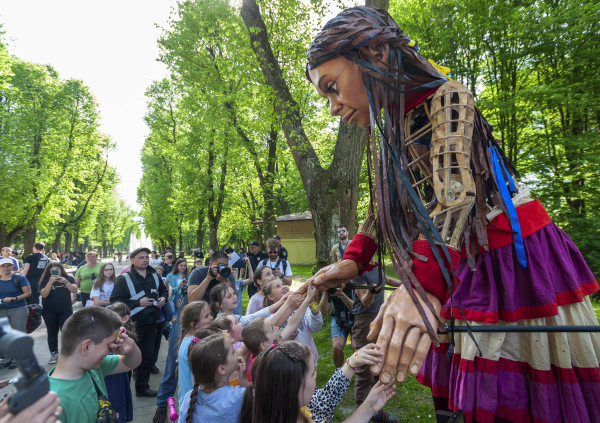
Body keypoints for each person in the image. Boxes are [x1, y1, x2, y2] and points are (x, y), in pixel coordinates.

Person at [302, 6, 600, 422]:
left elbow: (454, 193)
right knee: (472, 392)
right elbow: (384, 207)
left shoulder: (447, 95)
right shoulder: (389, 127)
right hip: (457, 259)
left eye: (333, 87)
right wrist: (355, 258)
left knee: (518, 393)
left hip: (506, 257)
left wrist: (422, 287)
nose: (333, 107)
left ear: (376, 53)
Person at [238, 340, 395, 423]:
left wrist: (369, 407)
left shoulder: (278, 408)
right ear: (294, 387)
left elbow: (325, 399)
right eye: (313, 373)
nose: (316, 374)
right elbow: (325, 400)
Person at [48, 306, 142, 423]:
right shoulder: (52, 403)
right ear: (86, 347)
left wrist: (131, 348)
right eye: (109, 343)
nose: (112, 347)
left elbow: (130, 364)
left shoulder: (93, 366)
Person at [110, 247, 168, 398]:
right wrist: (137, 303)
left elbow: (163, 291)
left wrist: (163, 298)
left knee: (147, 357)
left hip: (151, 322)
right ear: (132, 260)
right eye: (141, 257)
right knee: (127, 357)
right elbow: (115, 301)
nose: (145, 260)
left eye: (147, 257)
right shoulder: (124, 278)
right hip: (132, 325)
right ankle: (124, 392)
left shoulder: (154, 274)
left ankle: (142, 388)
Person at [350, 263, 402, 423]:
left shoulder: (377, 264)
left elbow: (386, 279)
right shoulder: (357, 270)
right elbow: (365, 301)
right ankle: (362, 409)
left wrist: (405, 285)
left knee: (378, 363)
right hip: (365, 321)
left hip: (380, 318)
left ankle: (374, 408)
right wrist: (372, 292)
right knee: (365, 367)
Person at [177, 333, 249, 423]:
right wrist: (243, 380)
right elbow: (263, 402)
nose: (237, 351)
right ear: (222, 369)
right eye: (233, 351)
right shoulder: (238, 396)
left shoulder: (189, 397)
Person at [263, 278, 322, 366]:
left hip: (309, 360)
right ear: (270, 296)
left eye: (283, 284)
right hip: (288, 365)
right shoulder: (271, 319)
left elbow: (316, 327)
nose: (283, 287)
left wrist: (314, 306)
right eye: (278, 286)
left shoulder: (302, 307)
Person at [105, 302, 138, 423]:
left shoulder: (125, 338)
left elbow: (132, 361)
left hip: (117, 377)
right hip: (112, 375)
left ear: (125, 319)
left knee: (116, 403)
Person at [176, 301, 213, 408]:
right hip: (194, 403)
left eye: (210, 314)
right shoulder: (193, 345)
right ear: (193, 324)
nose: (211, 317)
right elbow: (197, 380)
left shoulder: (189, 340)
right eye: (206, 316)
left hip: (187, 399)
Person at [39, 262, 77, 364]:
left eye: (58, 269)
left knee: (67, 332)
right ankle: (54, 354)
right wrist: (50, 282)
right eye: (53, 270)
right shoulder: (45, 280)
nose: (56, 271)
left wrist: (66, 282)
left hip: (65, 309)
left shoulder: (68, 278)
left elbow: (74, 289)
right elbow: (44, 294)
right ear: (49, 271)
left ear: (61, 269)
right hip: (49, 311)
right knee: (52, 332)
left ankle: (68, 353)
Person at [319, 284, 354, 369]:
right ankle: (339, 372)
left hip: (355, 318)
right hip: (338, 318)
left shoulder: (353, 285)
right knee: (337, 347)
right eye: (337, 280)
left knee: (356, 346)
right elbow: (323, 311)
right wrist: (326, 293)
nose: (340, 284)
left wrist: (342, 295)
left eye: (342, 280)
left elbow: (355, 309)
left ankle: (361, 372)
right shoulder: (332, 288)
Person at [0, 258, 31, 335]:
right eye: (3, 266)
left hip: (18, 309)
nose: (6, 268)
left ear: (13, 266)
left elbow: (28, 293)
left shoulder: (20, 278)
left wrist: (14, 298)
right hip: (1, 311)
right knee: (3, 337)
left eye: (8, 265)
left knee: (18, 335)